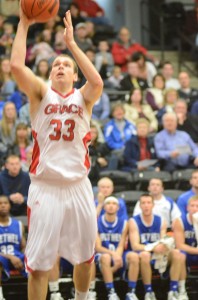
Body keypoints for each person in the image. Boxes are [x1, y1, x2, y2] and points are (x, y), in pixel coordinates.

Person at [10, 7, 103, 300]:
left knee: (86, 257)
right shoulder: (40, 94)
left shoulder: (84, 98)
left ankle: (81, 298)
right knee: (38, 266)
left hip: (78, 186)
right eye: (55, 65)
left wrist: (72, 44)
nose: (60, 67)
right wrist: (24, 22)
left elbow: (97, 82)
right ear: (50, 75)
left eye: (66, 65)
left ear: (75, 75)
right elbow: (15, 67)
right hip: (45, 188)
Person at [129, 194, 183, 300]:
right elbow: (135, 246)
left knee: (177, 253)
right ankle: (149, 292)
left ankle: (173, 291)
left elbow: (163, 240)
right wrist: (153, 248)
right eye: (143, 203)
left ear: (153, 205)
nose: (146, 206)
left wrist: (165, 245)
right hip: (144, 253)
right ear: (140, 206)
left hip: (159, 253)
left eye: (148, 203)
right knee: (145, 255)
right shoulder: (133, 221)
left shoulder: (161, 220)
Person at [95, 196, 139, 300]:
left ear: (118, 208)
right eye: (108, 203)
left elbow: (121, 244)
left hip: (118, 253)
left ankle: (131, 292)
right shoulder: (96, 223)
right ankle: (111, 293)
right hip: (102, 254)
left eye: (114, 204)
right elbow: (98, 247)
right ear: (104, 207)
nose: (111, 206)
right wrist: (114, 255)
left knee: (134, 256)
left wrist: (117, 257)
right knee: (105, 257)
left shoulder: (124, 223)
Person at [0, 195, 27, 300]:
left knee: (34, 260)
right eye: (0, 203)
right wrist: (10, 257)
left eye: (5, 203)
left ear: (9, 206)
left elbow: (23, 246)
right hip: (2, 258)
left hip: (18, 258)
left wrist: (27, 255)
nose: (3, 206)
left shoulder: (19, 224)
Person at [173, 195, 198, 300]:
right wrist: (196, 251)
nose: (195, 208)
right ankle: (182, 290)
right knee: (180, 255)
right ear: (187, 208)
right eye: (192, 206)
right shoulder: (180, 221)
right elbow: (179, 245)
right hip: (187, 253)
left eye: (197, 206)